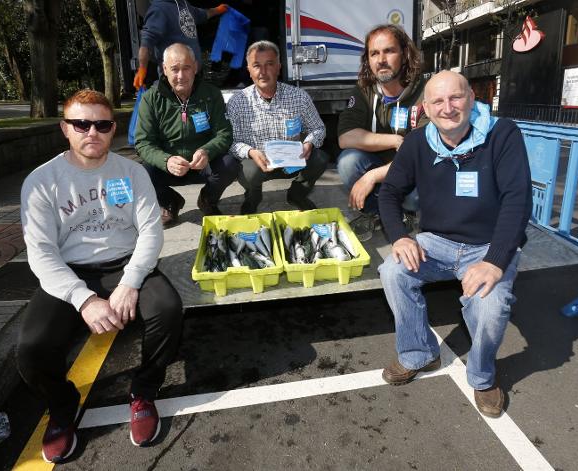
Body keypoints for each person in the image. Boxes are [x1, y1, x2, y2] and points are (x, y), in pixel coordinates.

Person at [17, 90, 183, 463]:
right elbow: (41, 255)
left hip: (125, 263)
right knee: (31, 348)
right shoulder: (42, 182)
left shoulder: (132, 172)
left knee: (168, 310)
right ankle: (62, 405)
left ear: (113, 129)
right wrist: (85, 300)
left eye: (102, 124)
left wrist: (130, 282)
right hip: (70, 272)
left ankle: (143, 390)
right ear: (65, 128)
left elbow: (151, 233)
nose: (91, 131)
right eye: (81, 123)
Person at [377, 71, 532, 418]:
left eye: (456, 98)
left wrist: (494, 261)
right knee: (393, 271)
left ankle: (481, 376)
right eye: (438, 101)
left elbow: (518, 201)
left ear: (472, 98)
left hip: (489, 245)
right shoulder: (418, 142)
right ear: (426, 109)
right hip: (437, 242)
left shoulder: (502, 134)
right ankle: (418, 353)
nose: (448, 108)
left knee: (490, 307)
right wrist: (400, 236)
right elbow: (389, 193)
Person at [337, 24, 427, 241]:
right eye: (374, 53)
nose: (381, 60)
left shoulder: (426, 91)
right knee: (347, 162)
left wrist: (371, 177)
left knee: (415, 197)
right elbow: (345, 137)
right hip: (382, 164)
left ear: (405, 54)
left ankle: (406, 212)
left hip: (412, 172)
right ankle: (377, 213)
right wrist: (394, 140)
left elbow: (421, 154)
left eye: (389, 51)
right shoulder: (363, 90)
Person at [135, 43, 239, 225]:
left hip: (202, 164)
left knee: (230, 164)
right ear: (164, 69)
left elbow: (224, 133)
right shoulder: (150, 99)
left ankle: (207, 199)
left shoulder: (211, 94)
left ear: (196, 68)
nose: (181, 76)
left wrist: (207, 151)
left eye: (186, 68)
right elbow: (143, 142)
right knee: (139, 172)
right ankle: (170, 201)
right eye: (174, 69)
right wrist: (166, 160)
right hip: (169, 166)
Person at [227, 40, 329, 214]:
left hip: (292, 161)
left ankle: (297, 194)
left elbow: (318, 128)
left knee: (320, 158)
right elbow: (231, 142)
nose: (263, 72)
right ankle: (253, 198)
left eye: (269, 64)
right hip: (258, 163)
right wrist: (251, 152)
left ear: (279, 67)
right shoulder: (238, 102)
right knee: (249, 173)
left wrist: (309, 144)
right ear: (249, 70)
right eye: (257, 66)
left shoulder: (298, 97)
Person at [133, 0, 228, 88]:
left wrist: (217, 10)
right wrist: (142, 68)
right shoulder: (159, 10)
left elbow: (201, 14)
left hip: (194, 76)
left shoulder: (184, 4)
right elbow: (147, 42)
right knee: (175, 104)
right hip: (174, 79)